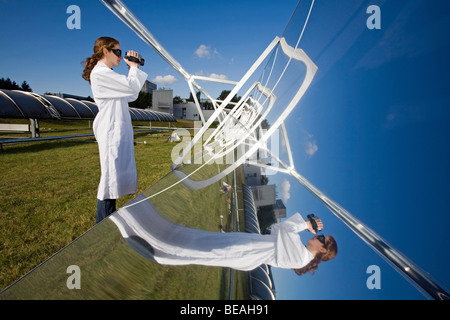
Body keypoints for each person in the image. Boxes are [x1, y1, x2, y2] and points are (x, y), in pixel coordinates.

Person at [110, 196, 338, 275]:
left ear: (323, 250)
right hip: (242, 246)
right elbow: (278, 230)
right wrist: (304, 225)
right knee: (197, 240)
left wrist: (304, 224)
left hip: (242, 253)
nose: (318, 236)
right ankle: (144, 227)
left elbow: (286, 231)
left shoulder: (301, 257)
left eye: (322, 239)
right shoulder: (300, 252)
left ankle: (156, 248)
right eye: (321, 235)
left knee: (196, 248)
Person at [82, 37, 148, 223]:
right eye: (117, 52)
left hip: (116, 130)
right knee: (109, 181)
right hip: (110, 130)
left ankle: (107, 222)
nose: (120, 56)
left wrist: (131, 69)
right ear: (105, 51)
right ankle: (101, 226)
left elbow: (130, 94)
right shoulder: (101, 73)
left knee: (114, 180)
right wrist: (133, 68)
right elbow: (131, 88)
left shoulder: (107, 73)